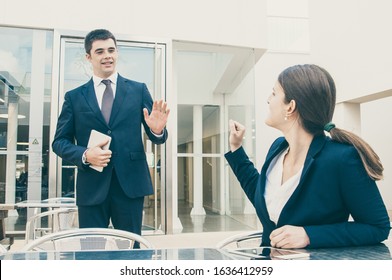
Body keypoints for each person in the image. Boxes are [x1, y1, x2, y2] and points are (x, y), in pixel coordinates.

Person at [226, 64, 390, 249]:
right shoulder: (277, 149)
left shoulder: (342, 158)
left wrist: (309, 235)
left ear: (291, 106)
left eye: (273, 93)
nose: (268, 99)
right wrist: (236, 148)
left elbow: (378, 227)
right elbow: (262, 195)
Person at [52, 29, 169, 241]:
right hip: (92, 187)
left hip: (130, 185)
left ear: (117, 52)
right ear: (89, 57)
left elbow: (156, 135)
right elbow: (59, 142)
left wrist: (157, 130)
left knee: (132, 248)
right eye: (100, 51)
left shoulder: (138, 90)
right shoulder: (75, 97)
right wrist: (86, 154)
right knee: (92, 252)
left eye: (111, 50)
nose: (107, 55)